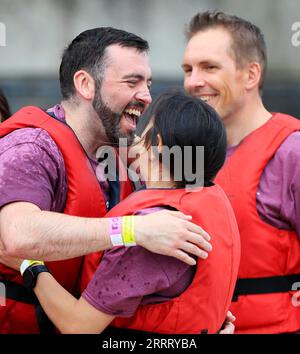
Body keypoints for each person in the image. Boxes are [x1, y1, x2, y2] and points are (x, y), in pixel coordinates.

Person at [0, 27, 212, 334]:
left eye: (148, 83)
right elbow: (17, 235)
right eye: (132, 82)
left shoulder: (124, 152)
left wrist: (200, 322)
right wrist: (133, 230)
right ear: (86, 84)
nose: (146, 95)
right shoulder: (33, 147)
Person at [182, 10, 300, 334]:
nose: (193, 81)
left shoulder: (292, 151)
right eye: (188, 69)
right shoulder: (183, 155)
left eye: (209, 67)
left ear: (251, 75)